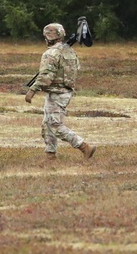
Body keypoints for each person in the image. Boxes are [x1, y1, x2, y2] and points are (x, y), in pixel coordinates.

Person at [25, 23, 95, 160]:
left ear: (48, 37)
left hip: (57, 93)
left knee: (54, 125)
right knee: (47, 124)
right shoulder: (69, 51)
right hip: (64, 92)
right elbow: (75, 69)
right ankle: (50, 155)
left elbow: (46, 76)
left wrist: (32, 91)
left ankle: (84, 146)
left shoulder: (51, 53)